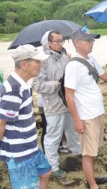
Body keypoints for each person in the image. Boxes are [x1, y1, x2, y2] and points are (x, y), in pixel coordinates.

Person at [64, 27, 107, 189]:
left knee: (93, 150)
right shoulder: (73, 65)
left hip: (97, 113)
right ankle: (92, 185)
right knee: (88, 152)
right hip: (86, 116)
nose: (91, 43)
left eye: (92, 40)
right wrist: (77, 120)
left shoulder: (91, 59)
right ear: (77, 43)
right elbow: (69, 95)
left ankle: (91, 178)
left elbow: (106, 77)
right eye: (88, 40)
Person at [0, 44, 51, 189]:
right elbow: (1, 122)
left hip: (30, 146)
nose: (40, 64)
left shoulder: (24, 84)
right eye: (37, 61)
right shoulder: (13, 90)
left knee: (45, 172)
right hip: (19, 152)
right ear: (24, 64)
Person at [33, 30, 81, 180]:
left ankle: (78, 156)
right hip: (52, 106)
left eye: (62, 41)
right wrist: (56, 84)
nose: (60, 44)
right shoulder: (42, 61)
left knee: (73, 132)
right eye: (57, 41)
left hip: (68, 103)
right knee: (53, 137)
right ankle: (53, 167)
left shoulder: (65, 58)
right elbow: (37, 85)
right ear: (48, 43)